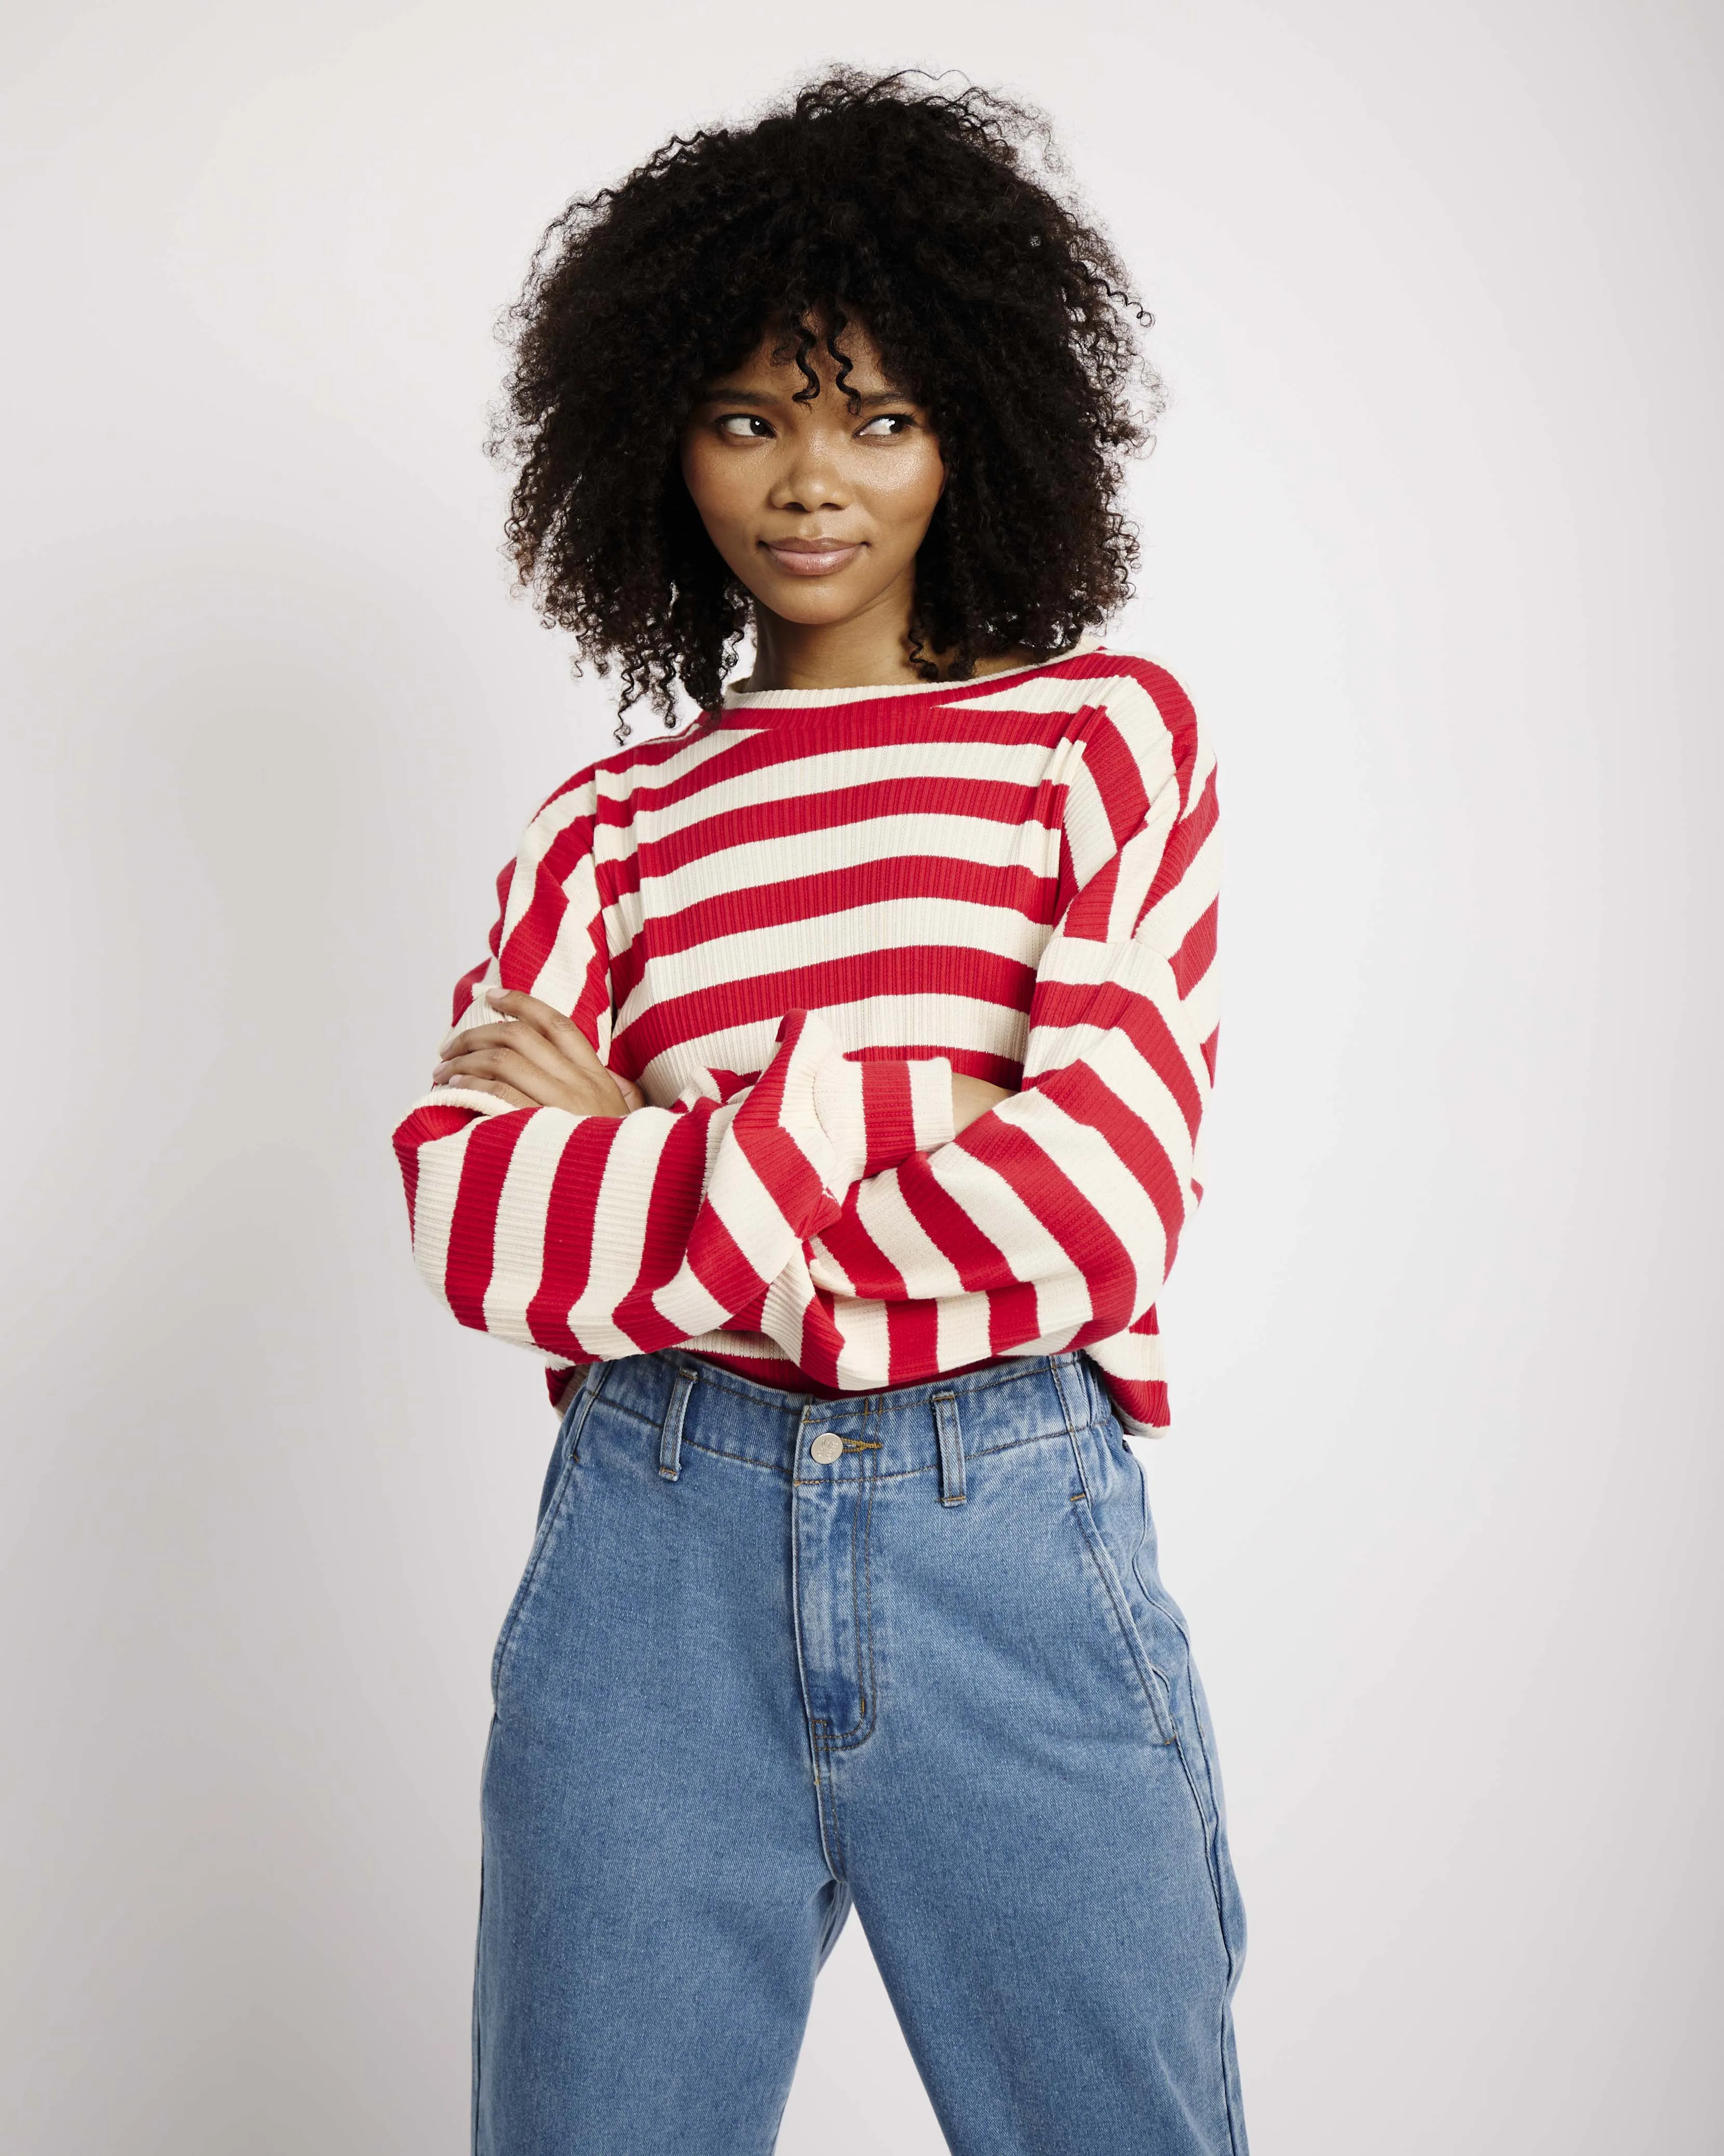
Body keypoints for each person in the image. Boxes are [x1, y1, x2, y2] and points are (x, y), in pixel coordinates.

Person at [391, 65, 1247, 2156]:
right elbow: (486, 1228)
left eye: (876, 414)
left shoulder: (1096, 741)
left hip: (1009, 1538)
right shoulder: (606, 826)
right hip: (645, 1561)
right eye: (748, 414)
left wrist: (663, 1141)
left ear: (974, 427)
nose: (808, 480)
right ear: (653, 438)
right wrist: (911, 1105)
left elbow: (1097, 1204)